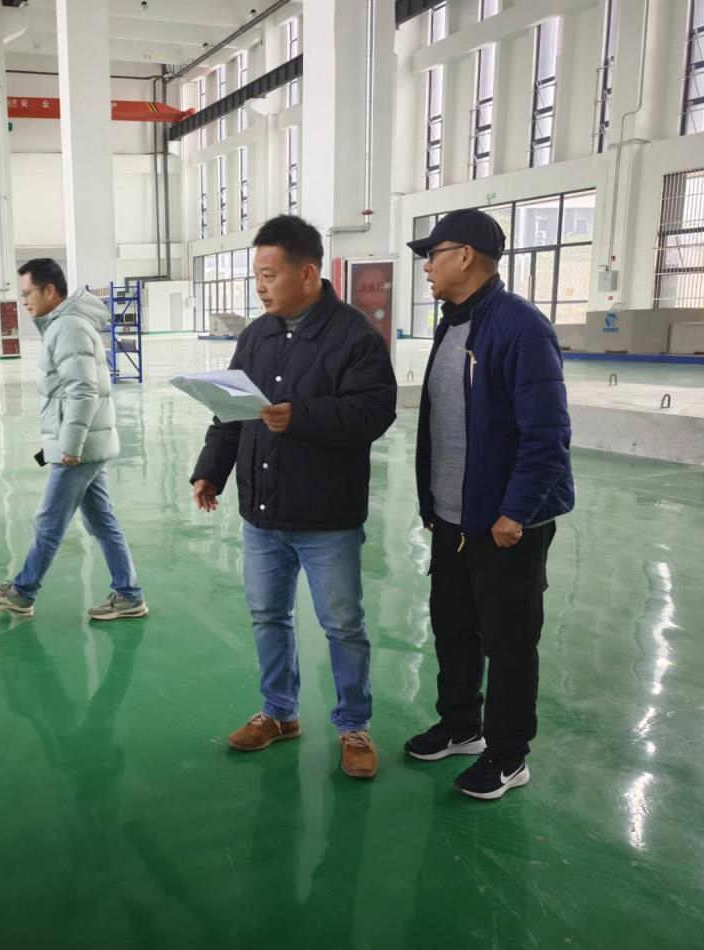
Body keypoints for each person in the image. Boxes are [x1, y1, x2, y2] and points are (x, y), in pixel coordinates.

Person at [190, 215, 396, 778]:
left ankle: (354, 725)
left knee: (342, 625)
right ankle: (279, 713)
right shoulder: (256, 335)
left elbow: (375, 411)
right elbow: (230, 410)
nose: (260, 286)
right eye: (256, 275)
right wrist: (211, 471)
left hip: (326, 515)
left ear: (307, 274)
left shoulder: (354, 336)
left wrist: (301, 418)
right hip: (263, 513)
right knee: (267, 615)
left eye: (269, 275)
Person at [403, 208, 573, 800]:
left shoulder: (521, 327)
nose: (427, 266)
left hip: (507, 524)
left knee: (509, 643)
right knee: (453, 628)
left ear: (466, 256)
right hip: (454, 518)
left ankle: (507, 755)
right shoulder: (452, 324)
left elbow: (547, 434)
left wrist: (516, 512)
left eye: (433, 254)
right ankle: (461, 727)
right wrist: (435, 504)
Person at [0, 258, 147, 621]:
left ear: (50, 290)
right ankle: (129, 594)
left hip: (80, 450)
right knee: (102, 522)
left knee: (49, 521)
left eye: (28, 293)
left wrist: (69, 445)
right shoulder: (63, 324)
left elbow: (82, 390)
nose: (24, 301)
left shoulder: (68, 326)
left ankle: (22, 592)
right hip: (87, 443)